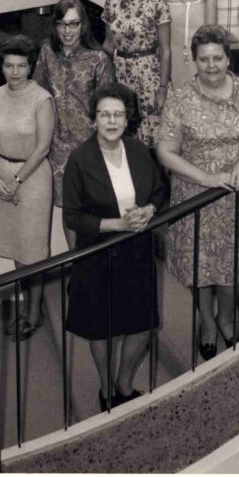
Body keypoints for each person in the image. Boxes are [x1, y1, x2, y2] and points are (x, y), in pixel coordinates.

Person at [157, 26, 239, 360]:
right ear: (194, 61)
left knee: (233, 265)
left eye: (217, 58)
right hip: (195, 195)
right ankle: (207, 322)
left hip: (237, 196)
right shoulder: (181, 99)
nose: (211, 66)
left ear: (228, 57)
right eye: (203, 59)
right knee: (200, 268)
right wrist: (206, 178)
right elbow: (166, 152)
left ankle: (226, 317)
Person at [63, 83, 167, 412]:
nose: (112, 121)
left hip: (136, 251)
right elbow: (73, 216)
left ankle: (124, 382)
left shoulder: (139, 150)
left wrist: (149, 210)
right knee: (101, 327)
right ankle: (107, 387)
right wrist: (117, 224)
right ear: (93, 119)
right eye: (105, 114)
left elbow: (160, 191)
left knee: (141, 324)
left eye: (118, 114)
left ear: (127, 119)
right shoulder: (79, 160)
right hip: (97, 254)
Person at [0, 35, 55, 340]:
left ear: (30, 67)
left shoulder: (42, 99)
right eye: (9, 65)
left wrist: (15, 182)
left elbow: (42, 148)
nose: (14, 72)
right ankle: (28, 303)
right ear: (2, 66)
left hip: (32, 178)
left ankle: (34, 311)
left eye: (21, 66)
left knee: (33, 248)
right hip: (2, 175)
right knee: (16, 244)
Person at [33, 0, 114, 238]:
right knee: (70, 211)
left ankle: (93, 268)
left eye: (74, 24)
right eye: (62, 24)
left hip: (89, 147)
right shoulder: (47, 51)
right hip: (56, 146)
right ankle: (78, 270)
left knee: (93, 209)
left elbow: (108, 108)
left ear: (83, 25)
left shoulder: (99, 58)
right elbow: (37, 93)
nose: (67, 31)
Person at [103, 0, 172, 148]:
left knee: (154, 141)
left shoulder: (157, 4)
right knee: (127, 137)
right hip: (121, 75)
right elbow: (108, 44)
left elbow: (165, 50)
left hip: (149, 75)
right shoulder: (112, 1)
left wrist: (163, 90)